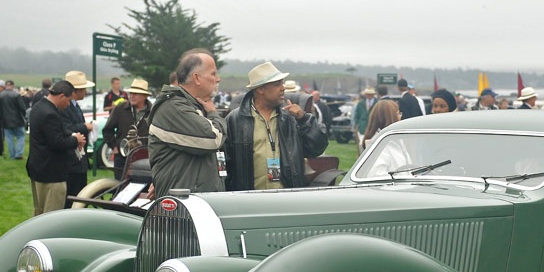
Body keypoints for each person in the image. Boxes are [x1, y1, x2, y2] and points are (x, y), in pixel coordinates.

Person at [224, 61, 328, 191]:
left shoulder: (292, 118)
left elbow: (317, 149)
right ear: (260, 89)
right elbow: (225, 166)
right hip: (249, 201)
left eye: (283, 83)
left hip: (287, 199)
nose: (283, 88)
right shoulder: (234, 120)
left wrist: (304, 119)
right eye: (277, 84)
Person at [148, 49, 227, 195]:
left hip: (196, 203)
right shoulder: (174, 108)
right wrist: (213, 114)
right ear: (196, 78)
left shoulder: (193, 106)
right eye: (213, 74)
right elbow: (213, 138)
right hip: (182, 209)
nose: (218, 79)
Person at [27, 80, 86, 216]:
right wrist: (75, 140)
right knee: (51, 215)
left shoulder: (39, 106)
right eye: (69, 100)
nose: (68, 105)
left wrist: (71, 134)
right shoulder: (50, 114)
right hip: (52, 173)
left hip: (38, 169)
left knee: (39, 212)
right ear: (61, 96)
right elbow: (57, 143)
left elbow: (54, 132)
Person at [102, 77, 153, 179]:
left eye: (135, 93)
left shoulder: (153, 112)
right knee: (121, 188)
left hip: (145, 157)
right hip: (122, 158)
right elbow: (107, 130)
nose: (131, 96)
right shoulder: (120, 108)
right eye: (131, 93)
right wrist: (115, 148)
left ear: (145, 96)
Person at [62, 71, 95, 206]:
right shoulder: (66, 106)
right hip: (71, 162)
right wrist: (84, 127)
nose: (86, 91)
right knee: (73, 198)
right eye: (84, 88)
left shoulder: (74, 105)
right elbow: (66, 127)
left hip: (79, 161)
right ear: (77, 90)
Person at [0, 80, 29, 160]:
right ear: (13, 86)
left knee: (9, 138)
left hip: (5, 120)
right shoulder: (16, 95)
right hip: (17, 120)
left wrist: (0, 117)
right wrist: (23, 116)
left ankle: (12, 155)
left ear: (5, 86)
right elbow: (22, 108)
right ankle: (19, 153)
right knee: (21, 136)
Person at [352, 87, 377, 152]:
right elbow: (356, 115)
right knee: (361, 145)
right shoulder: (360, 103)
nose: (369, 95)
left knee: (373, 145)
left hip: (374, 128)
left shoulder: (377, 103)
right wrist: (358, 124)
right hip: (362, 128)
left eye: (370, 94)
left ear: (373, 95)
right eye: (367, 94)